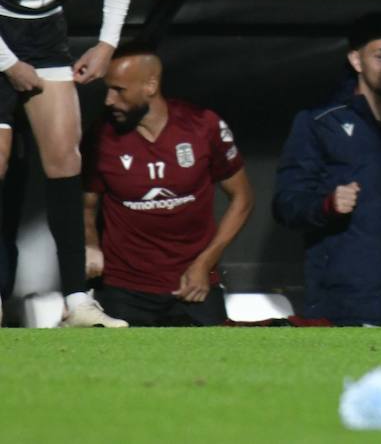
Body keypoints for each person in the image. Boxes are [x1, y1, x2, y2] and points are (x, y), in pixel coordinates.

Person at [0, 0, 136, 327]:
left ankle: (78, 301)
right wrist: (9, 63)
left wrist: (105, 44)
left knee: (65, 160)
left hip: (44, 33)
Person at [272, 13, 381, 326]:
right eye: (380, 55)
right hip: (342, 302)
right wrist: (327, 204)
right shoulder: (320, 123)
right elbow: (286, 203)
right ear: (356, 60)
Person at [83, 44, 253, 326]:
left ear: (150, 85)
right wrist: (91, 244)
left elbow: (242, 198)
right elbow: (86, 206)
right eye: (107, 90)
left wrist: (204, 263)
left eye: (119, 90)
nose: (109, 100)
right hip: (123, 289)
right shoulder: (101, 136)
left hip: (194, 285)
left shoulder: (203, 125)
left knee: (214, 368)